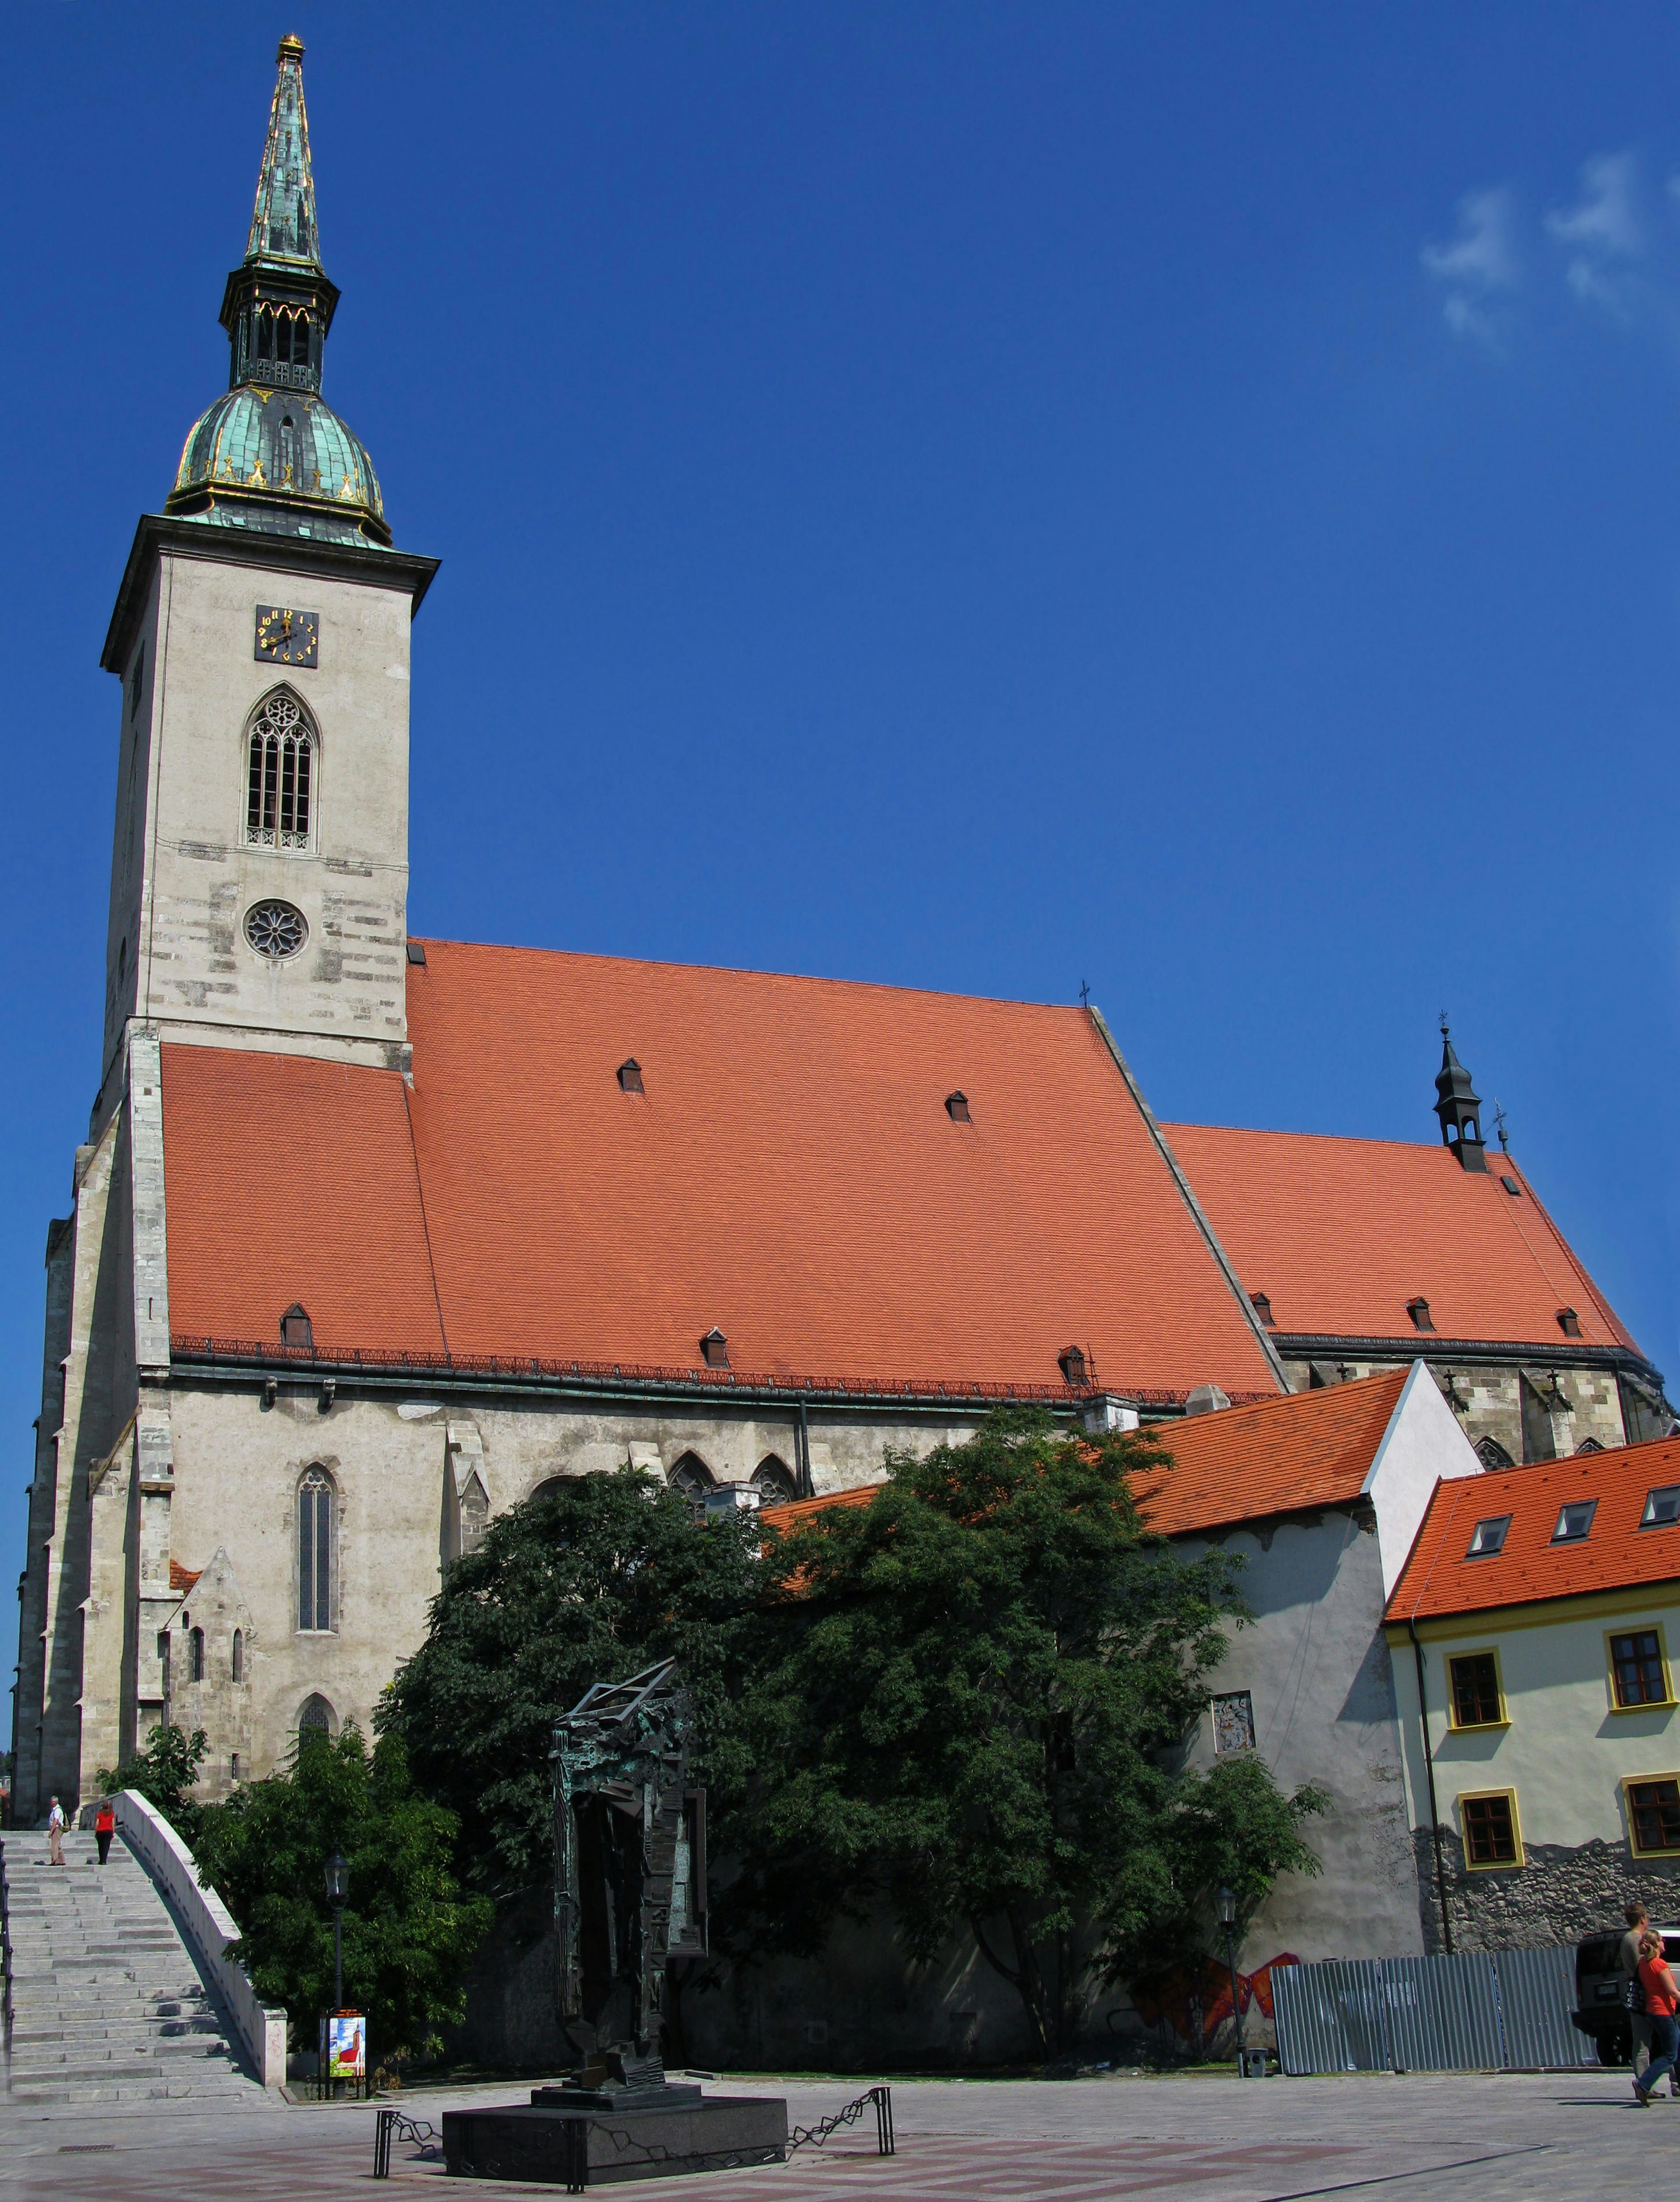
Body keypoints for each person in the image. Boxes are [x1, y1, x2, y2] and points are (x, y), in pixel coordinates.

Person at [1620, 1903, 1670, 2095]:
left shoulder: (1627, 1938)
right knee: (1648, 2042)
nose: (1648, 1921)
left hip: (1638, 1996)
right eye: (1647, 1918)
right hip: (1645, 1996)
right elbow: (1643, 1967)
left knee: (1647, 2041)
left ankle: (1646, 2083)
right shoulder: (1635, 1939)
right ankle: (1644, 2084)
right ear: (1642, 1920)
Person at [1634, 1930, 1680, 2105]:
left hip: (1653, 2011)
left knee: (1678, 2048)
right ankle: (1643, 2085)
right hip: (1664, 2013)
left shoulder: (1644, 1963)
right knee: (1670, 2055)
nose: (1664, 1942)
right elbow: (1673, 1992)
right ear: (1656, 1944)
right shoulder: (1660, 1965)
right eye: (1662, 1940)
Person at [94, 1797, 116, 1866]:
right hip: (108, 1831)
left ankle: (101, 1860)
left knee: (100, 1846)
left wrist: (96, 1831)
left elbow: (97, 1823)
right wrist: (113, 1831)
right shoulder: (111, 1813)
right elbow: (113, 1823)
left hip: (100, 1831)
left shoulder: (100, 1813)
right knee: (106, 1846)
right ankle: (104, 1861)